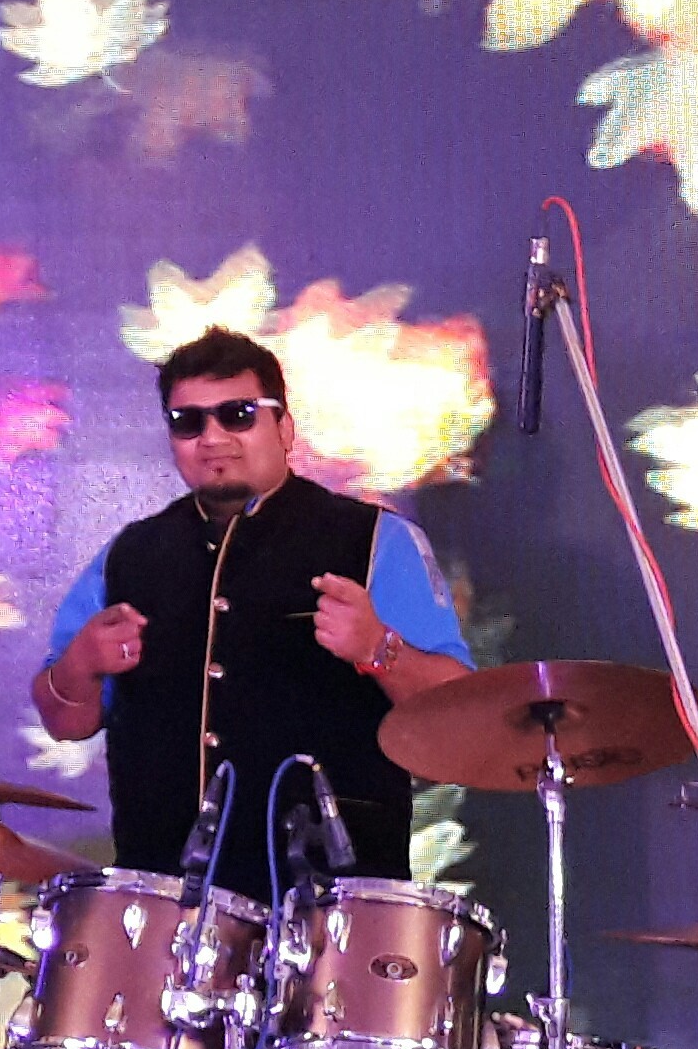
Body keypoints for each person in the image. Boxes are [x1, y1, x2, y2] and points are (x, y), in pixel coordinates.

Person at [28, 328, 472, 901]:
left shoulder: (376, 542)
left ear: (283, 428)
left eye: (237, 414)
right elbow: (64, 722)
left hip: (332, 908)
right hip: (165, 907)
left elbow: (459, 717)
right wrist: (79, 665)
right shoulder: (130, 555)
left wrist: (378, 648)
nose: (213, 437)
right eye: (188, 422)